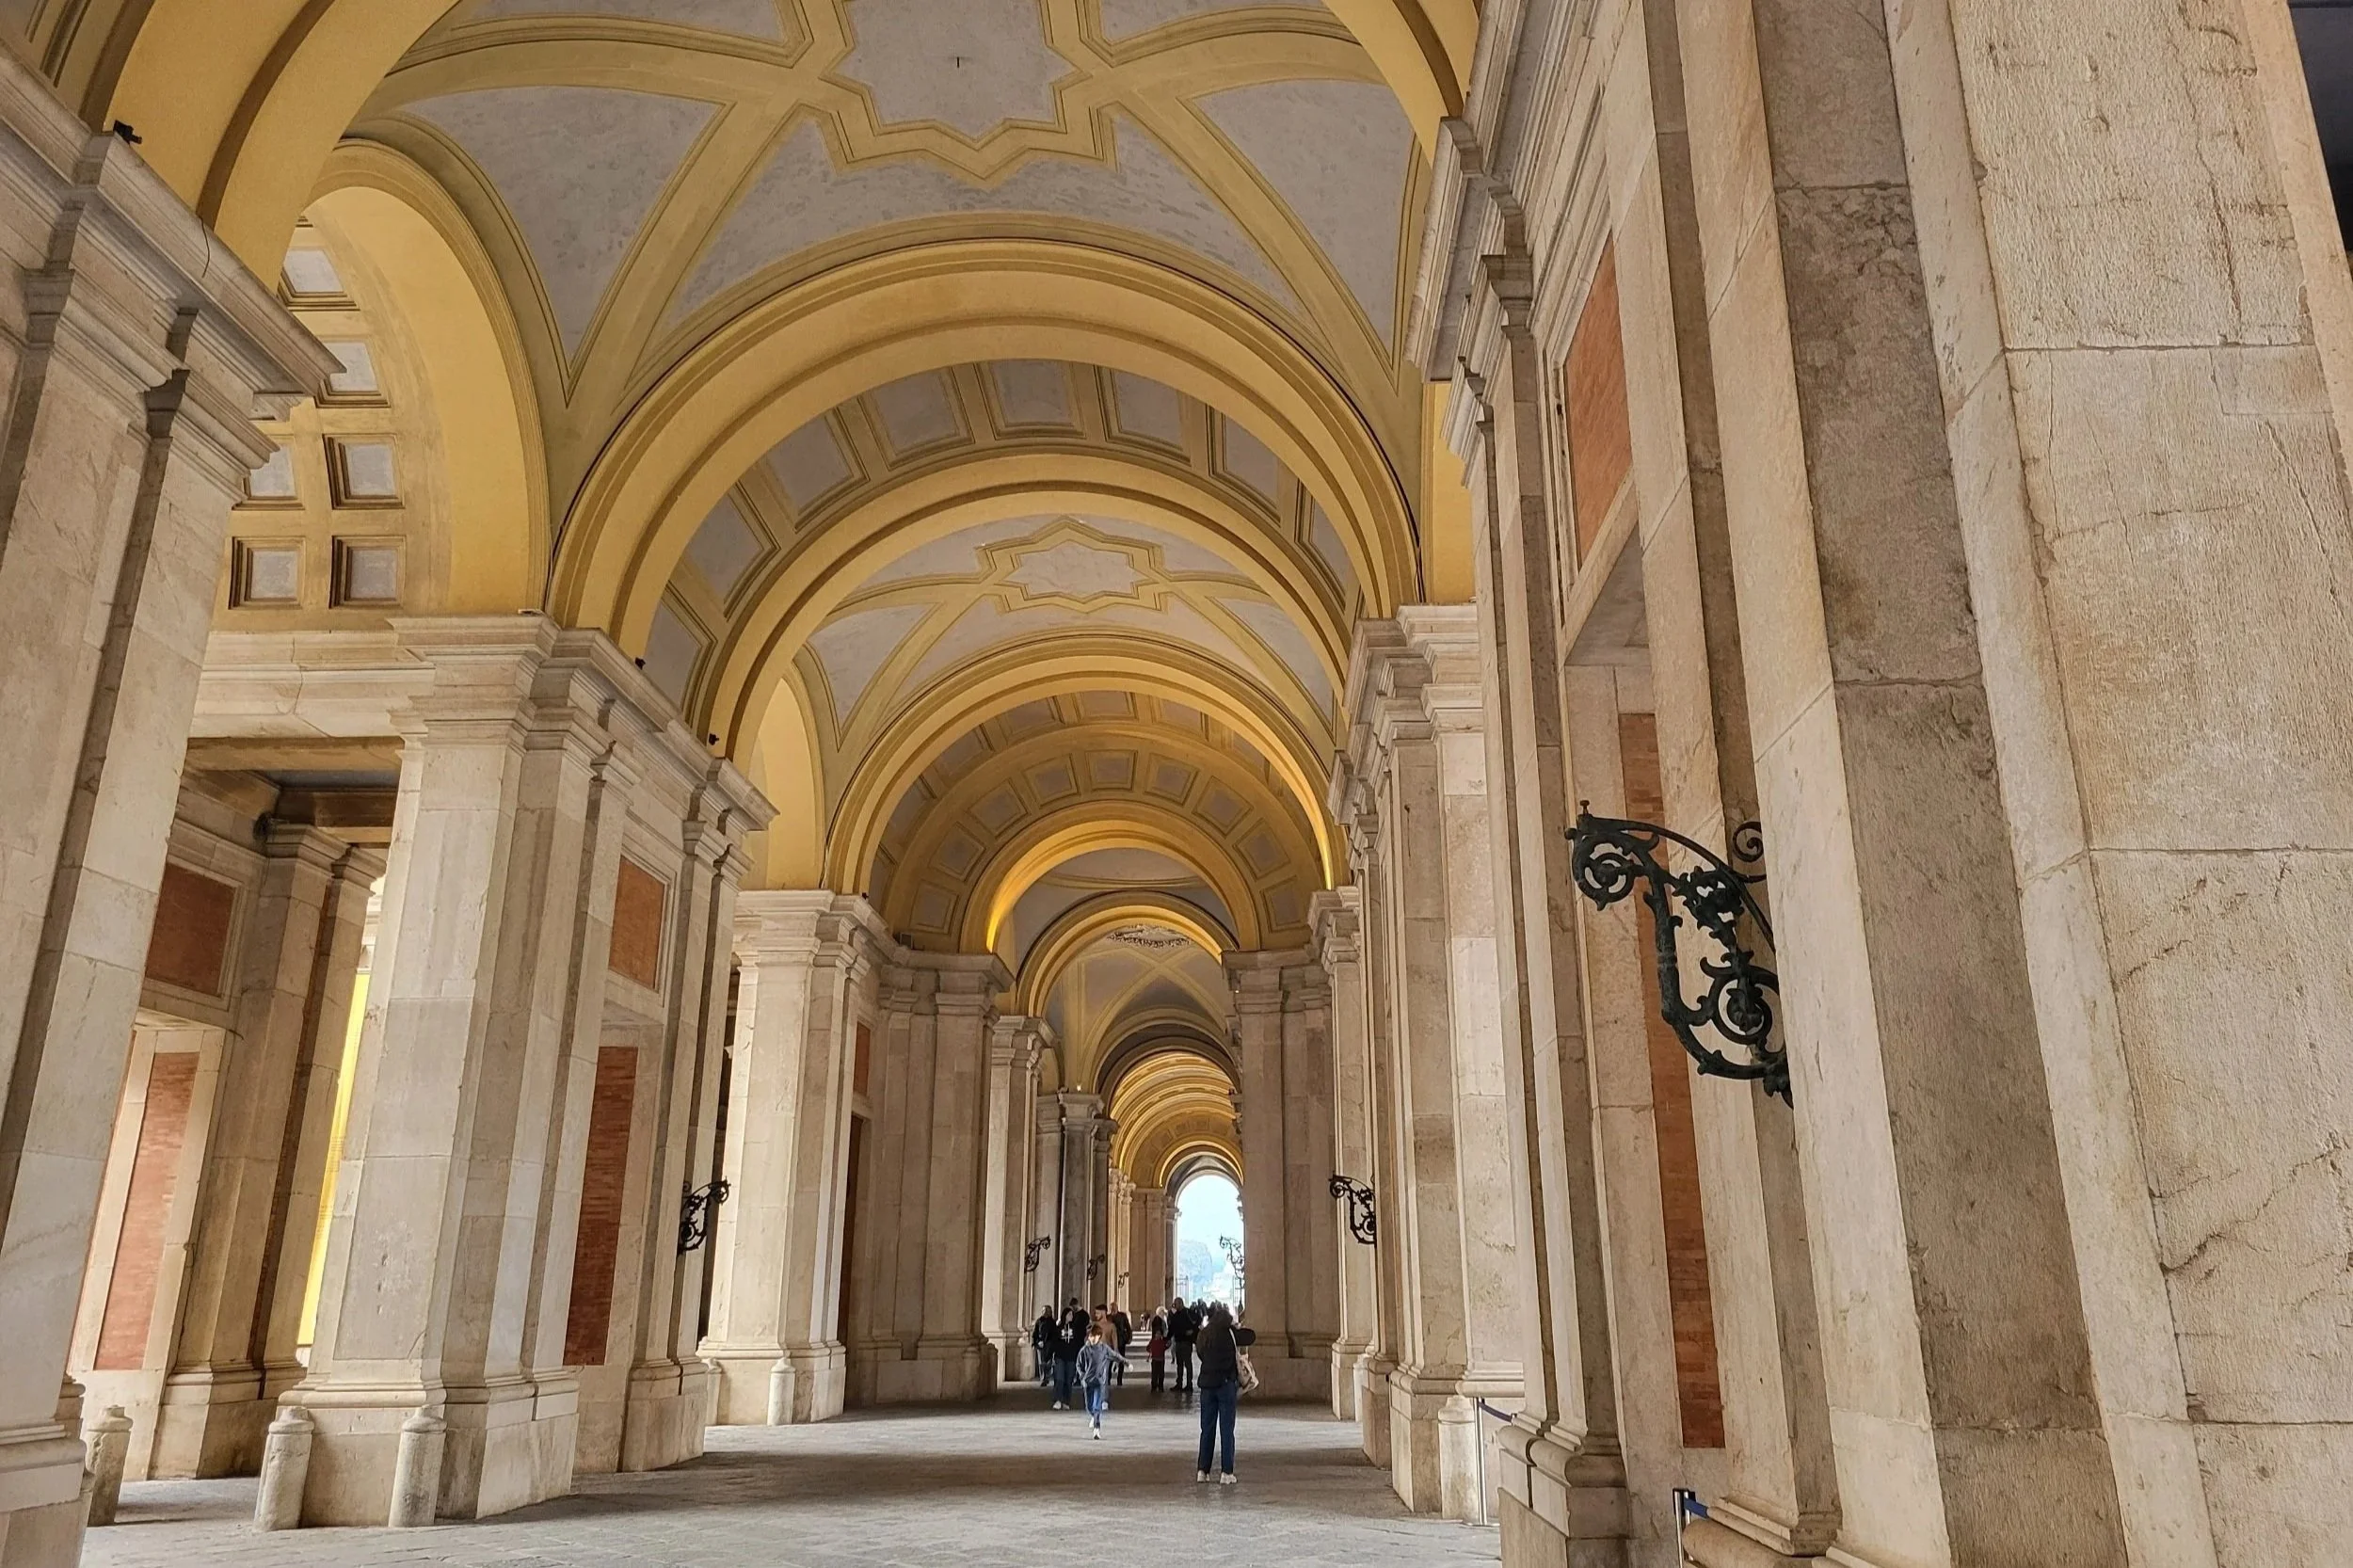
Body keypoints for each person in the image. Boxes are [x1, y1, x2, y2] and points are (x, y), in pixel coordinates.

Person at [1193, 1302, 1256, 1483]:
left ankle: (1202, 1470)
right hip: (1225, 1384)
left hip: (1207, 1385)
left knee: (1207, 1429)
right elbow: (1251, 1337)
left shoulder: (1204, 1334)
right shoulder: (1230, 1333)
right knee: (1227, 1429)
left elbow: (1201, 1354)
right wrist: (1237, 1327)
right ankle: (1226, 1472)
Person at [1077, 1322, 1120, 1439]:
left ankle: (1097, 1428)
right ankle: (1093, 1416)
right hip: (1088, 1381)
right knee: (1089, 1406)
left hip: (1099, 1380)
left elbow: (1115, 1354)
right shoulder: (1085, 1350)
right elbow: (1079, 1364)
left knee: (1096, 1406)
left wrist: (1124, 1362)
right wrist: (1082, 1376)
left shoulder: (1103, 1348)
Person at [1051, 1297, 1087, 1409]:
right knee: (1060, 1379)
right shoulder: (1058, 1328)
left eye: (1072, 1314)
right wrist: (1051, 1356)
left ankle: (1066, 1401)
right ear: (1065, 1316)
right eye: (1070, 1314)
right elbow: (1054, 1342)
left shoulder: (1075, 1329)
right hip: (1060, 1357)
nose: (1072, 1316)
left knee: (1069, 1379)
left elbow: (1078, 1341)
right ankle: (1057, 1399)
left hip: (1071, 1357)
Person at [1168, 1296, 1199, 1395]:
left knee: (1188, 1364)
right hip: (1178, 1341)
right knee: (1179, 1364)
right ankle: (1179, 1384)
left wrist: (1193, 1330)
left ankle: (1189, 1384)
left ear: (1180, 1303)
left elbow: (1198, 1319)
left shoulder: (1188, 1312)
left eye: (1175, 1304)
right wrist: (1167, 1339)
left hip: (1186, 1342)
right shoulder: (1175, 1315)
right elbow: (1172, 1328)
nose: (1174, 1306)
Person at [1031, 1307, 1058, 1387]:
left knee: (1048, 1362)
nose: (1045, 1312)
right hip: (1040, 1344)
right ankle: (1043, 1378)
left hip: (1049, 1344)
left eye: (1047, 1311)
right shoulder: (1039, 1321)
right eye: (1044, 1311)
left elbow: (1054, 1335)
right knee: (1041, 1362)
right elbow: (1035, 1333)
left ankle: (1047, 1377)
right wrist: (1036, 1343)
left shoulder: (1052, 1322)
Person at [1110, 1302, 1133, 1385]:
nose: (1113, 1309)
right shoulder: (1108, 1317)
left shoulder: (1122, 1316)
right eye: (1111, 1308)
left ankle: (1119, 1379)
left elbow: (1128, 1327)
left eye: (1114, 1307)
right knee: (1110, 1360)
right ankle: (1108, 1379)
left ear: (1117, 1308)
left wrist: (1130, 1338)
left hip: (1121, 1341)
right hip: (1111, 1342)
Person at [1146, 1308, 1169, 1393]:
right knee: (1156, 1374)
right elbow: (1148, 1348)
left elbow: (1165, 1347)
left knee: (1160, 1374)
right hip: (1156, 1359)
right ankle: (1155, 1386)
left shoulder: (1160, 1342)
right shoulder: (1154, 1341)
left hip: (1160, 1359)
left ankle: (1159, 1386)